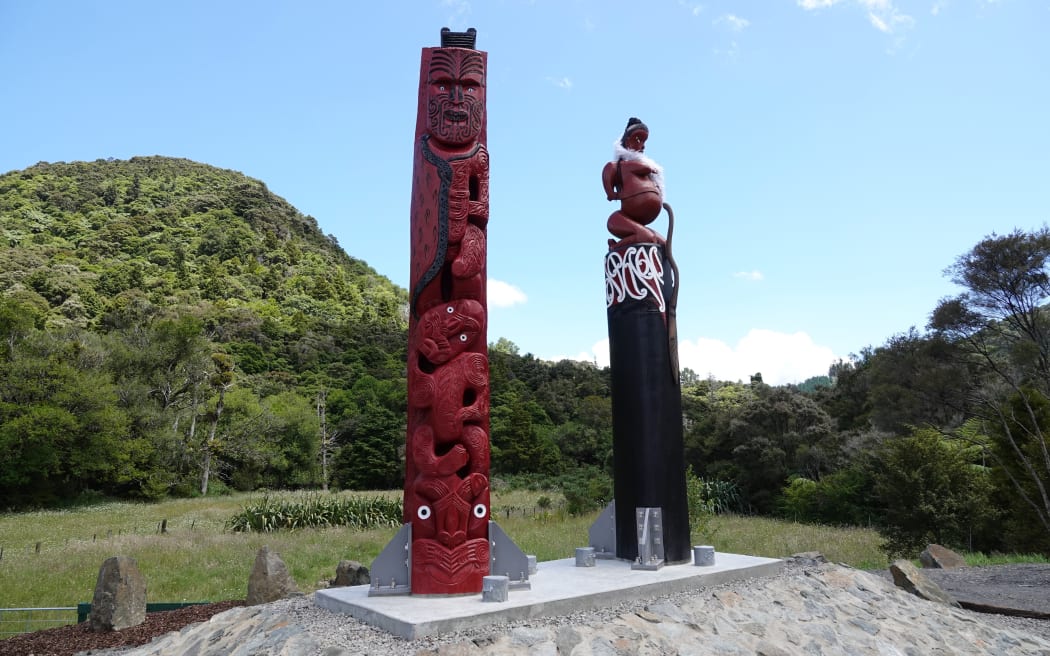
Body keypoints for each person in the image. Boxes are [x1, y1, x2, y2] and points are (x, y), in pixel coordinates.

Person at [602, 117, 667, 247]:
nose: (643, 145)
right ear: (627, 142)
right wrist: (611, 193)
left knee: (664, 244)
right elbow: (607, 174)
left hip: (638, 220)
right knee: (646, 237)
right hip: (621, 218)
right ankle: (616, 247)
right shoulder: (620, 166)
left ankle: (660, 265)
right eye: (638, 140)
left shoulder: (646, 167)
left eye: (644, 141)